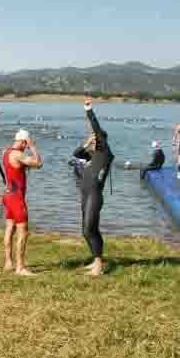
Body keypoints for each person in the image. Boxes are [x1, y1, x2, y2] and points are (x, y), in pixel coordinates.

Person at [73, 98, 114, 276]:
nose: (95, 141)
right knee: (86, 231)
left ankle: (98, 266)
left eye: (97, 139)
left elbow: (97, 129)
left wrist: (89, 111)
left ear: (102, 140)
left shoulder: (105, 153)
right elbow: (76, 154)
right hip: (85, 193)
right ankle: (97, 260)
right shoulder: (92, 154)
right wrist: (86, 143)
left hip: (94, 195)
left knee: (90, 228)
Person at [1, 129, 43, 276]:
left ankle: (8, 262)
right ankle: (20, 268)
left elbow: (18, 167)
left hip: (8, 195)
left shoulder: (6, 152)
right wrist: (33, 147)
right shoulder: (18, 154)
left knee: (9, 228)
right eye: (26, 144)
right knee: (23, 232)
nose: (26, 147)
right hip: (16, 198)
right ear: (24, 142)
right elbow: (38, 163)